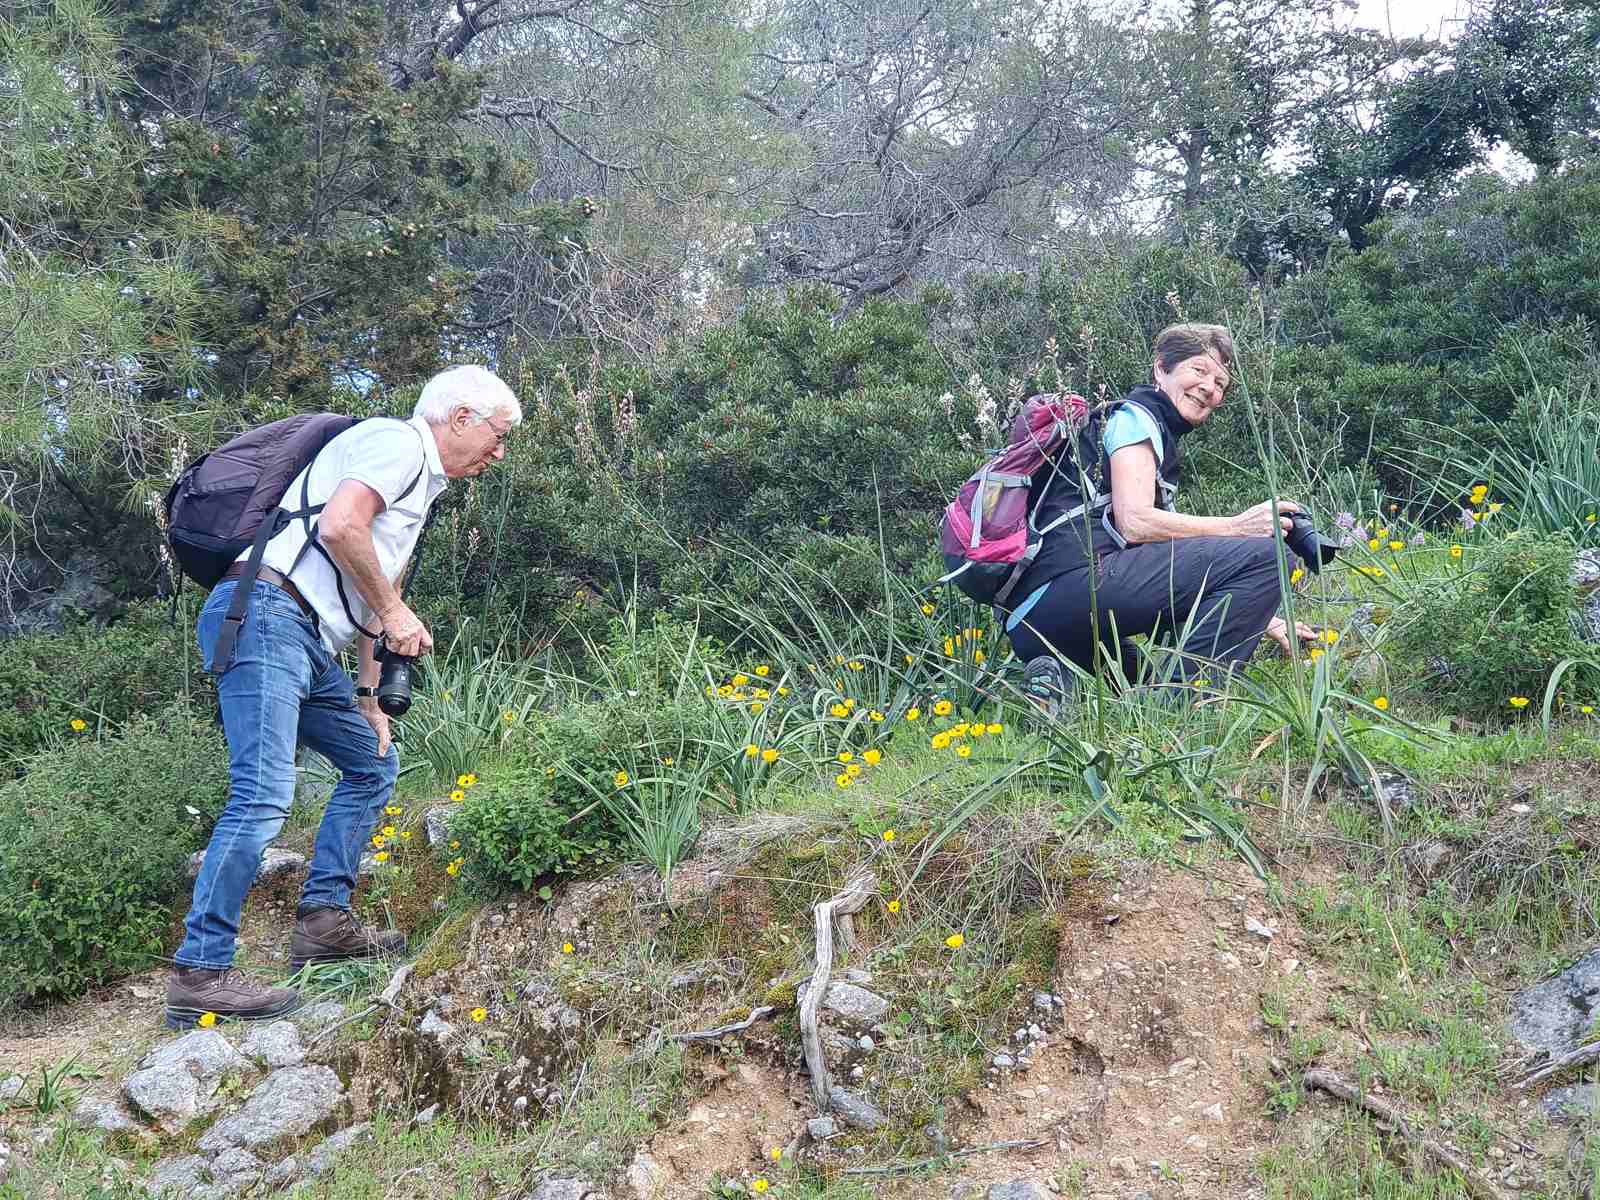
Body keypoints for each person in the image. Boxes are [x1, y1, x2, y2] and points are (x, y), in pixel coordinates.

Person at [165, 365, 521, 1029]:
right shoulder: (395, 444)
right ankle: (200, 971)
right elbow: (340, 528)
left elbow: (367, 594)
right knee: (264, 792)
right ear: (460, 417)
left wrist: (368, 694)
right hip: (265, 614)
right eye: (498, 435)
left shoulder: (417, 488)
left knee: (371, 761)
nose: (499, 452)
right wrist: (395, 611)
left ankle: (324, 923)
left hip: (301, 633)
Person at [1002, 323, 1313, 711]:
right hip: (1073, 588)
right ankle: (1185, 706)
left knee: (1141, 684)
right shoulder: (1136, 417)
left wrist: (1268, 621)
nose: (1210, 388)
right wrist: (1238, 527)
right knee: (1271, 557)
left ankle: (1056, 681)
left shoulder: (1136, 430)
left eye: (1221, 382)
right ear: (1161, 369)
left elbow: (1166, 555)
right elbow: (1136, 522)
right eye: (1199, 371)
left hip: (1033, 621)